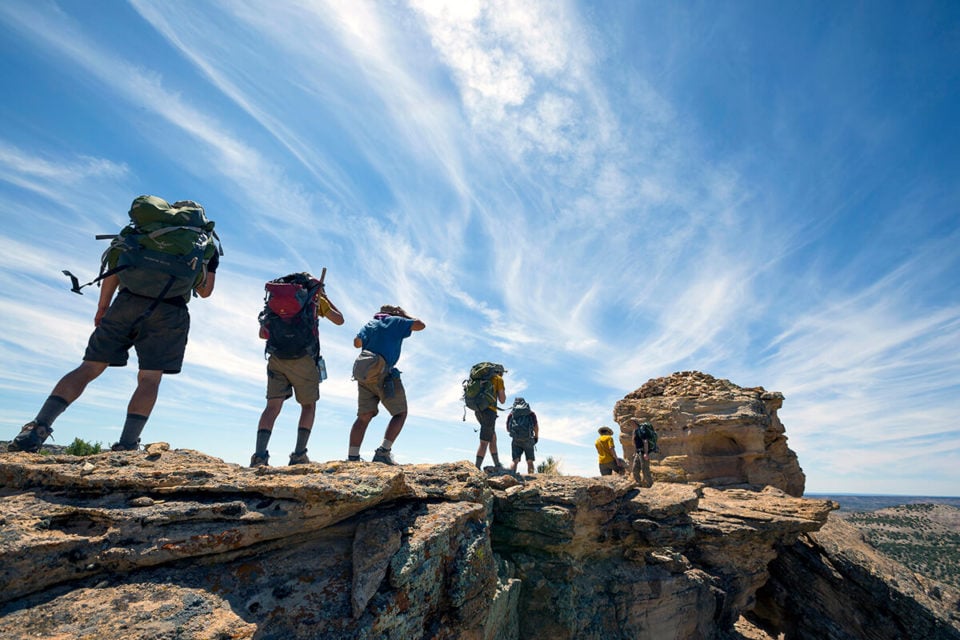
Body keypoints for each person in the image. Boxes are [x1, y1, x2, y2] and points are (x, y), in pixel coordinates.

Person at [7, 198, 219, 453]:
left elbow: (115, 270)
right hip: (169, 311)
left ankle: (37, 429)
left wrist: (102, 308)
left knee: (89, 368)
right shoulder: (203, 242)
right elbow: (205, 291)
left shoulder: (141, 232)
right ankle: (127, 444)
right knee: (150, 378)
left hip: (126, 303)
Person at [250, 273, 344, 467]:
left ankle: (259, 457)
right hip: (303, 359)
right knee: (308, 406)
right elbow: (340, 320)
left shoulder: (276, 301)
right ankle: (299, 454)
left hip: (277, 357)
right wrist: (322, 296)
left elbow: (262, 334)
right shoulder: (313, 300)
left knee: (272, 407)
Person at [348, 305, 425, 464]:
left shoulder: (370, 324)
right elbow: (420, 325)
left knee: (363, 417)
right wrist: (403, 314)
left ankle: (352, 457)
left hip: (365, 375)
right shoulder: (395, 321)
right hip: (384, 374)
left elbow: (356, 343)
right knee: (400, 413)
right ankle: (383, 452)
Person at [474, 367, 506, 470]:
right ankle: (477, 468)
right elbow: (502, 400)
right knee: (484, 442)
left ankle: (497, 464)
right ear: (500, 372)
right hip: (489, 412)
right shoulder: (498, 379)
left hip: (478, 410)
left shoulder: (482, 378)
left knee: (492, 437)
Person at [506, 397, 539, 474]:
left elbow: (508, 429)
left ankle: (512, 476)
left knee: (515, 461)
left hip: (516, 440)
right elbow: (536, 427)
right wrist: (536, 437)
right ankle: (531, 478)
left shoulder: (511, 414)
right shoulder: (531, 413)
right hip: (528, 439)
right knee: (530, 461)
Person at [630, 420, 658, 488]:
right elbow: (635, 444)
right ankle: (638, 483)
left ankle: (650, 484)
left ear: (635, 422)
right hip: (637, 452)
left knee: (645, 469)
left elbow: (645, 442)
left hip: (643, 452)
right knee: (635, 469)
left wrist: (646, 453)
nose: (631, 424)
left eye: (632, 423)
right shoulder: (635, 431)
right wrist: (635, 452)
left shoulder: (641, 430)